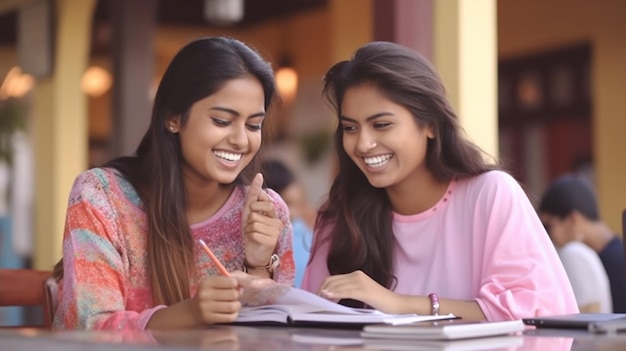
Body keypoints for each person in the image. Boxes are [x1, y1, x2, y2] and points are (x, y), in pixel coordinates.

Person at [301, 41, 578, 321]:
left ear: (430, 124)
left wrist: (399, 303)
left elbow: (536, 314)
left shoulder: (490, 195)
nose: (363, 143)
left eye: (381, 125)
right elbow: (311, 321)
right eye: (350, 128)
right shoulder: (339, 215)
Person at [52, 37, 295, 330]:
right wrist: (189, 315)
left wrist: (258, 264)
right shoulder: (101, 197)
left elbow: (277, 336)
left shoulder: (266, 213)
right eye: (221, 121)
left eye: (253, 125)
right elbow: (87, 328)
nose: (241, 140)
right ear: (173, 118)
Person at [539, 174, 626, 313]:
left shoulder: (614, 261)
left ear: (573, 219)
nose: (548, 235)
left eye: (549, 226)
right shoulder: (607, 254)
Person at [262, 159, 315, 287]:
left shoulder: (311, 239)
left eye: (300, 203)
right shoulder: (261, 251)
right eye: (288, 204)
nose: (295, 213)